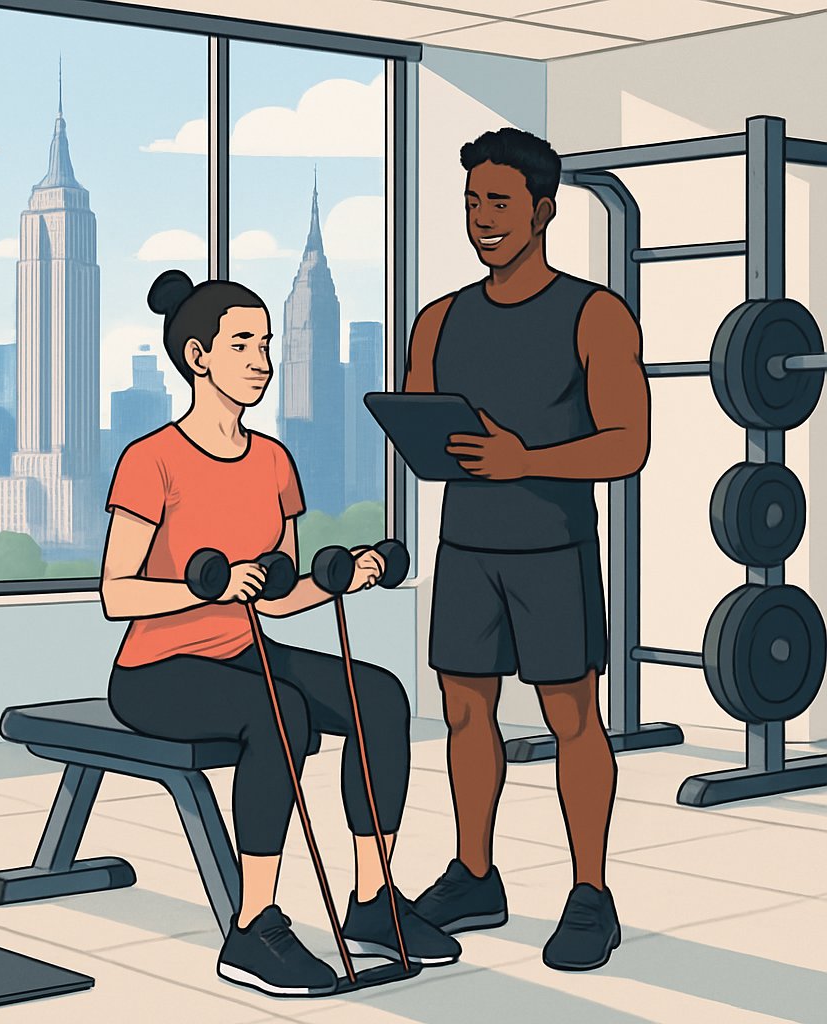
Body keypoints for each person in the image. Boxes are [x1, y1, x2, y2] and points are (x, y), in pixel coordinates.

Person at [100, 270, 460, 998]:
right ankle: (252, 925)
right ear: (198, 356)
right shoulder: (152, 459)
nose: (262, 359)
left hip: (242, 647)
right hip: (156, 669)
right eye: (243, 344)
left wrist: (340, 577)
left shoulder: (273, 463)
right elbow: (116, 594)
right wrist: (207, 585)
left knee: (380, 696)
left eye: (266, 344)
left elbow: (279, 596)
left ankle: (372, 899)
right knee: (281, 715)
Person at [405, 127, 650, 972]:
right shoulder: (438, 318)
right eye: (471, 203)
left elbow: (628, 445)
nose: (482, 220)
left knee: (570, 717)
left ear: (543, 211)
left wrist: (527, 460)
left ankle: (592, 895)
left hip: (552, 547)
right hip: (467, 548)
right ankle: (476, 874)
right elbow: (422, 425)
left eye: (499, 203)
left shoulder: (594, 313)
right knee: (465, 712)